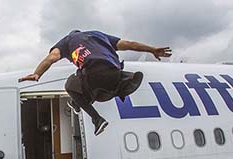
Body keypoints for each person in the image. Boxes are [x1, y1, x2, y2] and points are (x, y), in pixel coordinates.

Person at [19, 30, 172, 136]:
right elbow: (129, 44)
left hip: (94, 75)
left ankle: (97, 119)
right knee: (96, 83)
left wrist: (37, 73)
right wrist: (152, 49)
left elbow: (51, 58)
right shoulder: (98, 35)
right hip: (114, 73)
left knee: (70, 85)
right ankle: (124, 84)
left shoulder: (66, 42)